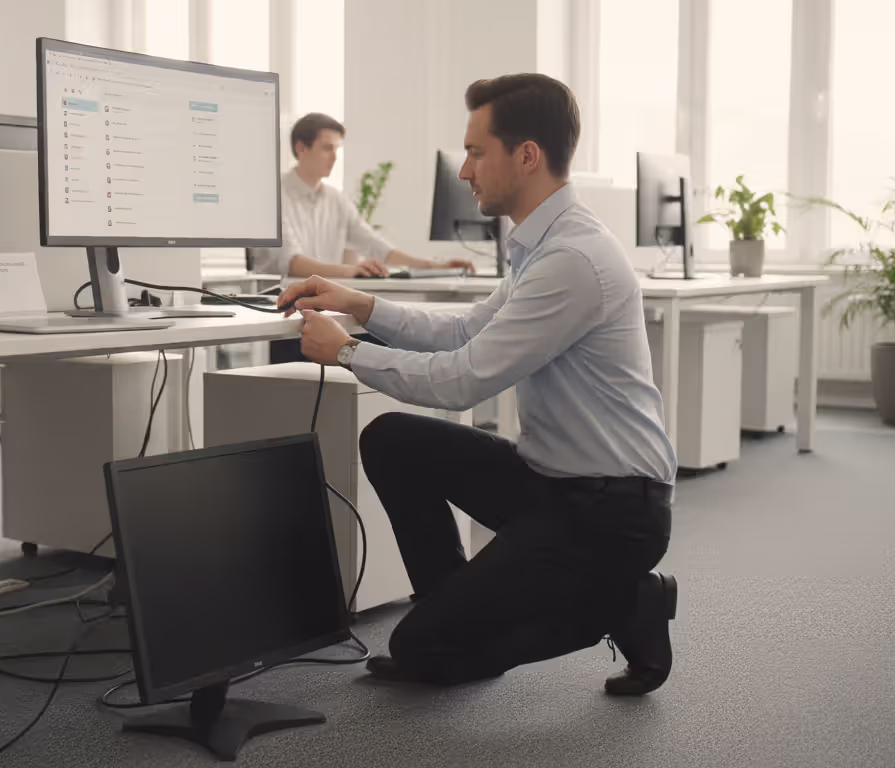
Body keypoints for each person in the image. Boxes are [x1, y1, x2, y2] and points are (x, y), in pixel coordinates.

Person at [278, 74, 679, 696]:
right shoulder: (541, 245)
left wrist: (349, 352)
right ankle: (457, 612)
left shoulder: (572, 259)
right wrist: (359, 302)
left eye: (475, 151)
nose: (465, 170)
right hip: (554, 484)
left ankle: (627, 603)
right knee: (392, 440)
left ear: (526, 156)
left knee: (420, 649)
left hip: (613, 511)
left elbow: (465, 379)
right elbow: (463, 330)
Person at [251, 113, 474, 279]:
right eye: (327, 148)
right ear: (301, 149)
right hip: (280, 304)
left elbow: (377, 247)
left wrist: (435, 266)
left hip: (320, 303)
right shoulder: (272, 194)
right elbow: (293, 264)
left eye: (337, 149)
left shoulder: (335, 199)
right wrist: (352, 271)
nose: (334, 157)